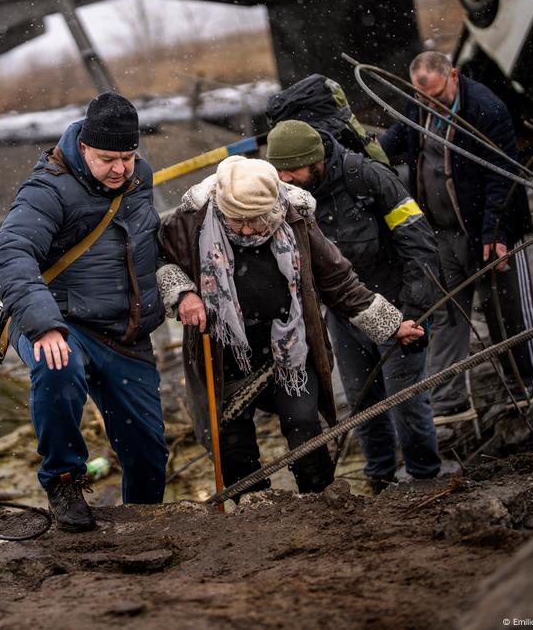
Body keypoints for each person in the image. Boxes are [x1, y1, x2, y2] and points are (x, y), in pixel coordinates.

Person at [156, 155, 425, 498]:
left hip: (289, 343)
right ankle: (256, 508)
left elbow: (338, 280)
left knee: (302, 423)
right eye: (238, 221)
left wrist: (392, 325)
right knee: (231, 436)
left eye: (257, 220)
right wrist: (183, 294)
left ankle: (323, 500)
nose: (248, 230)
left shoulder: (296, 219)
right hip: (223, 345)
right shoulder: (190, 221)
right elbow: (160, 258)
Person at [0, 91, 167, 532]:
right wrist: (45, 326)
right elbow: (9, 255)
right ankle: (64, 479)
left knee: (147, 451)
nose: (120, 168)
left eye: (128, 156)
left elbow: (150, 245)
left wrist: (183, 291)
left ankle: (141, 523)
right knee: (58, 364)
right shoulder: (47, 189)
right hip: (61, 321)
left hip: (124, 332)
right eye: (108, 158)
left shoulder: (138, 178)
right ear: (83, 147)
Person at [266, 120, 441, 492]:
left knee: (406, 402)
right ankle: (379, 480)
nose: (285, 179)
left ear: (315, 161)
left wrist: (414, 311)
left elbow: (420, 245)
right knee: (363, 405)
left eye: (292, 170)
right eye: (278, 172)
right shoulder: (289, 196)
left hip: (396, 306)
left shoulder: (370, 179)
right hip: (345, 315)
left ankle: (425, 480)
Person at [380, 51, 533, 418]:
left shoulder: (486, 109)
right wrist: (367, 155)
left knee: (506, 315)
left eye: (437, 96)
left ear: (452, 75)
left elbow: (502, 178)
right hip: (443, 233)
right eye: (423, 98)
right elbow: (399, 136)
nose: (430, 104)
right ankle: (451, 402)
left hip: (486, 230)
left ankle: (525, 388)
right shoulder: (419, 103)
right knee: (449, 316)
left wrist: (494, 235)